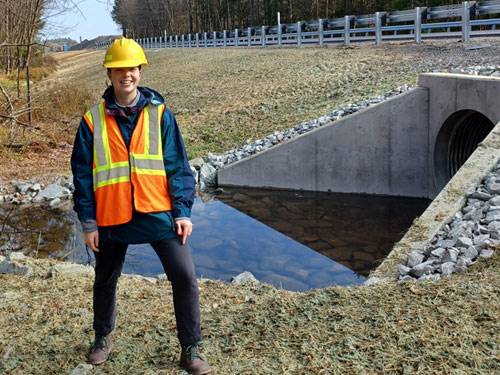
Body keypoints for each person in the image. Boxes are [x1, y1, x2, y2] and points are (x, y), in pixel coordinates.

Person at [71, 37, 211, 375]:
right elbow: (83, 176)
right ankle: (102, 338)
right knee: (105, 279)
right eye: (119, 69)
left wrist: (182, 211)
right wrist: (88, 223)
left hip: (157, 212)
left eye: (131, 68)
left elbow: (177, 165)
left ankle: (190, 347)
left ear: (140, 70)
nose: (126, 75)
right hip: (111, 218)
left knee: (186, 277)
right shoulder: (92, 121)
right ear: (109, 73)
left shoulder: (161, 114)